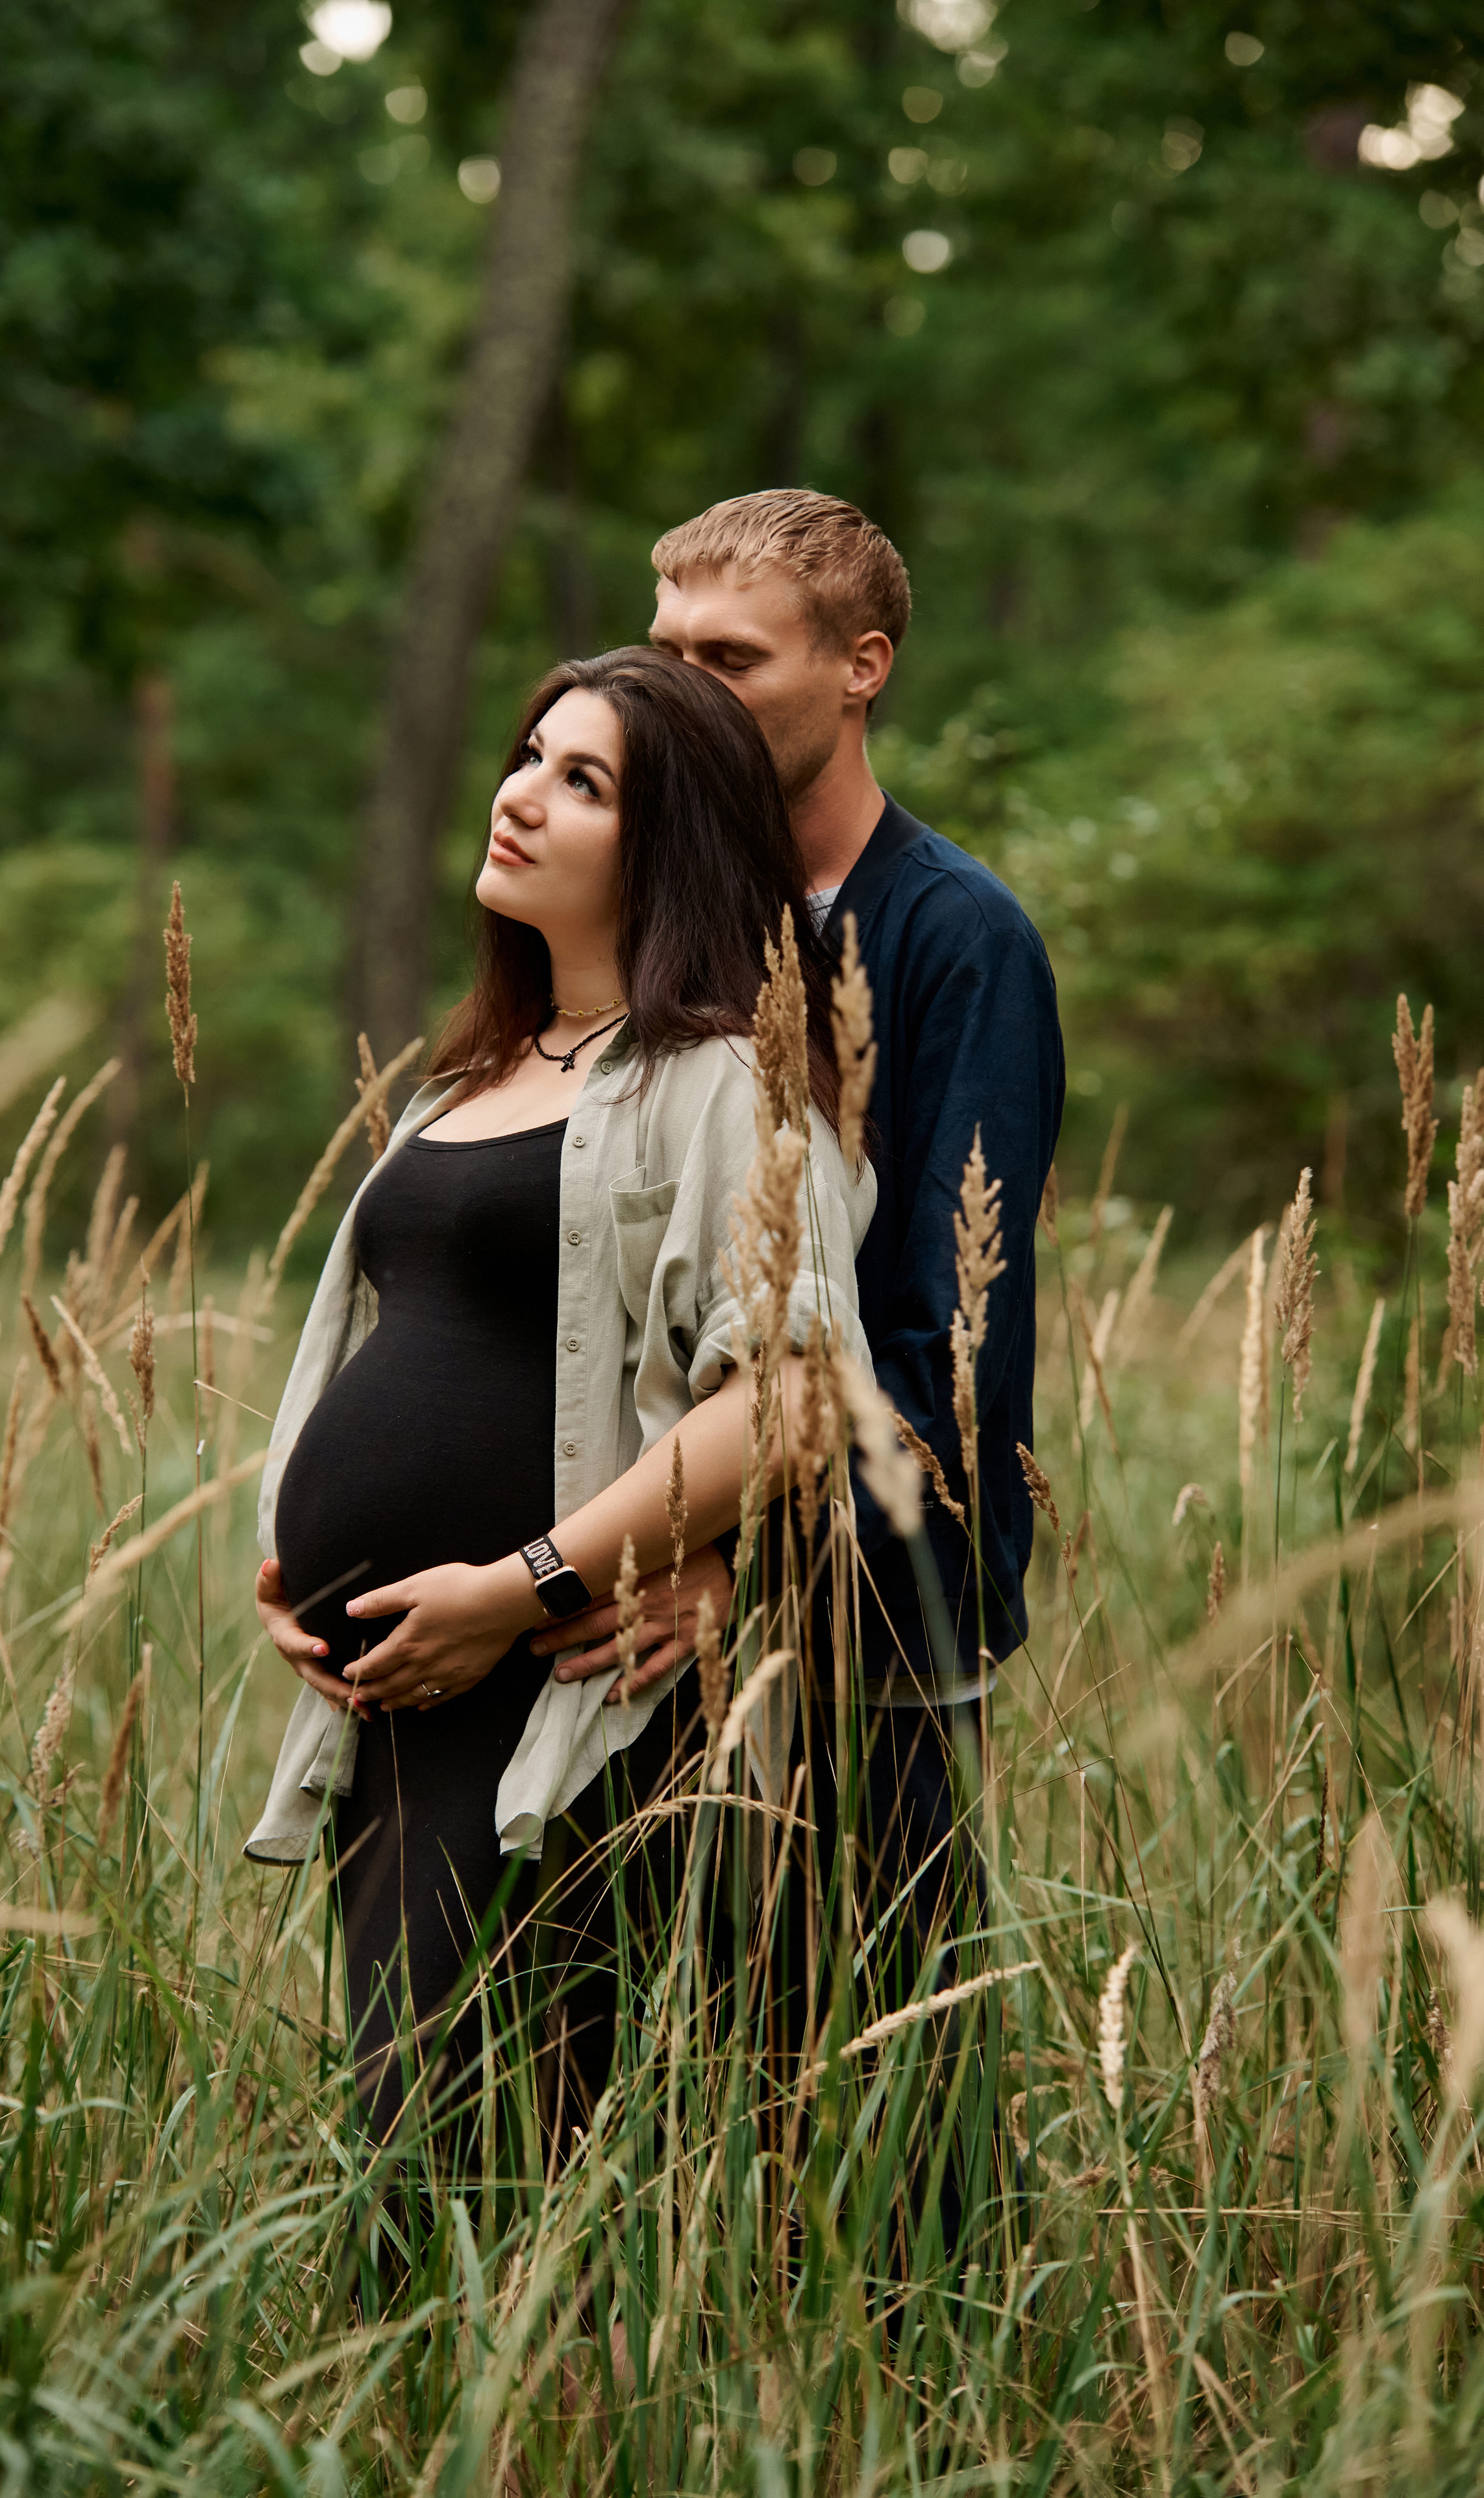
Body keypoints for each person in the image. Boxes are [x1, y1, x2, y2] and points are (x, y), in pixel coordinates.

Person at [243, 646, 875, 2155]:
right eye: (528, 754)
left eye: (580, 780)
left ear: (671, 841)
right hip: (399, 1695)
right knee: (414, 2125)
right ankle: (433, 2398)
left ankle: (535, 2396)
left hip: (560, 1686)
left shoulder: (723, 1077)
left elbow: (789, 1396)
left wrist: (521, 1586)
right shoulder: (463, 1081)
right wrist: (297, 1570)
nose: (519, 794)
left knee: (499, 2129)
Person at [533, 493, 1065, 2147]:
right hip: (623, 1612)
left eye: (730, 658)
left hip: (859, 1627)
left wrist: (746, 1567)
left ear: (860, 669)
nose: (680, 685)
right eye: (666, 649)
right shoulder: (655, 907)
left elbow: (939, 1332)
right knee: (624, 2124)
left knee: (872, 2116)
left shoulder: (947, 936)